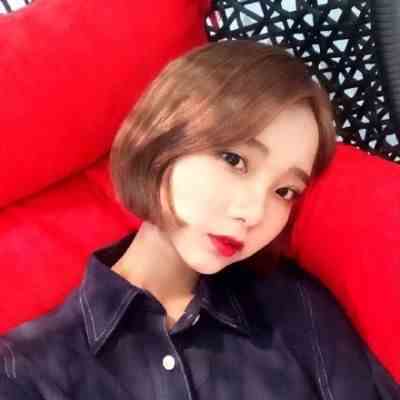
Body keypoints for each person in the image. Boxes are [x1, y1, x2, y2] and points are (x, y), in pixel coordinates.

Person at [0, 40, 398, 399]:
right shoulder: (26, 372)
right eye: (234, 160)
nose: (253, 213)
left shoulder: (294, 308)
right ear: (163, 137)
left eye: (284, 191)